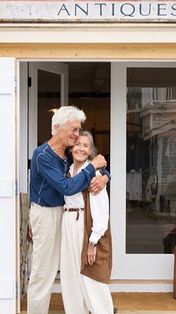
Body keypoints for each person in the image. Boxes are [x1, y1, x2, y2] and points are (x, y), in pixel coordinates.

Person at [28, 106, 110, 314]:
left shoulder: (66, 154)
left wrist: (105, 176)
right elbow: (67, 187)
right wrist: (94, 168)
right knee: (43, 272)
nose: (76, 134)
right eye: (73, 129)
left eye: (78, 130)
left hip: (65, 215)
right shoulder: (42, 155)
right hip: (46, 214)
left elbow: (88, 164)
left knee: (72, 268)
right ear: (58, 127)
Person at [60, 130, 113, 314]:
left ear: (91, 151)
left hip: (85, 225)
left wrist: (92, 242)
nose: (80, 149)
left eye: (85, 145)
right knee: (70, 277)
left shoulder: (95, 174)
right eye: (77, 144)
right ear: (71, 147)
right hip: (68, 223)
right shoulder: (66, 169)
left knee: (92, 278)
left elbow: (101, 213)